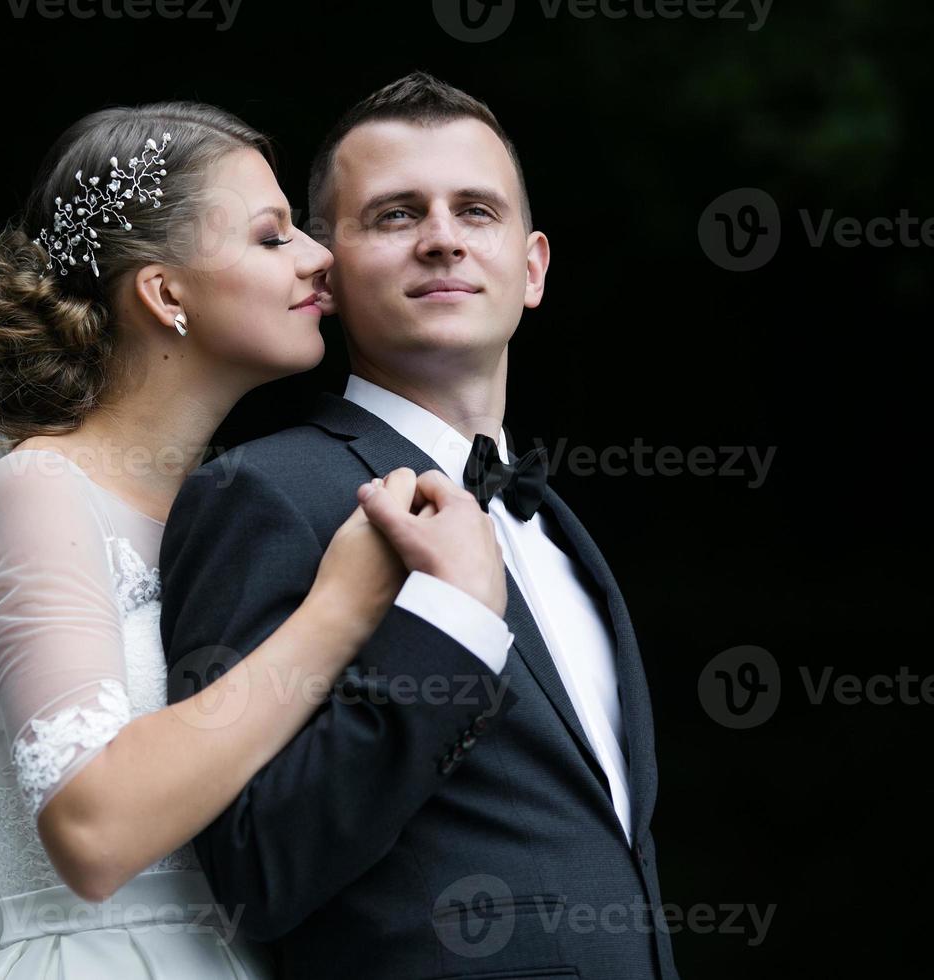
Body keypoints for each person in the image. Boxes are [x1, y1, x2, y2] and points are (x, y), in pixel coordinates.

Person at [0, 100, 505, 980]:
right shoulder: (39, 492)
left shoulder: (229, 515)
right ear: (165, 293)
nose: (320, 257)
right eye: (272, 237)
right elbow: (93, 828)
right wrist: (339, 608)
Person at [159, 73, 680, 980]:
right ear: (326, 269)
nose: (443, 238)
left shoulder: (560, 531)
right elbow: (254, 870)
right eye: (397, 215)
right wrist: (449, 631)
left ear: (533, 266)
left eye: (477, 211)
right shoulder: (266, 493)